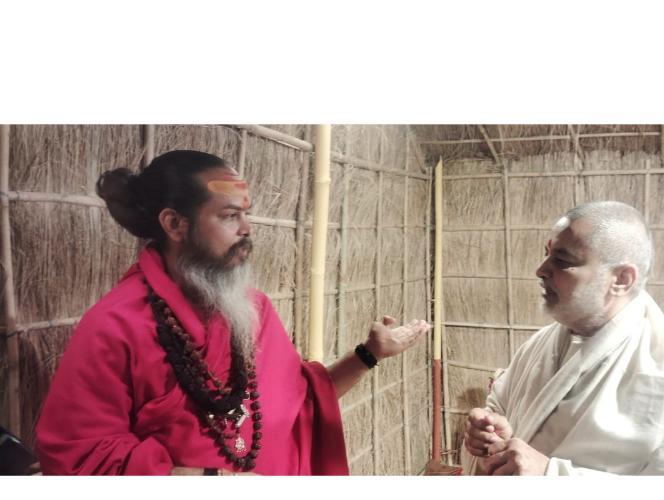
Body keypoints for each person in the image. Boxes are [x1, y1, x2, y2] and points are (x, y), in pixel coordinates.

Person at [35, 150, 429, 475]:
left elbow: (301, 403)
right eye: (229, 216)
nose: (247, 229)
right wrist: (212, 479)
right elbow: (81, 458)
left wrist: (369, 355)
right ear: (175, 224)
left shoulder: (253, 310)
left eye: (246, 213)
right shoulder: (115, 326)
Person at [462, 201, 664, 476]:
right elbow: (501, 405)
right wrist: (494, 430)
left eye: (562, 260)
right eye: (546, 253)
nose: (541, 269)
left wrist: (550, 474)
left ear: (621, 279)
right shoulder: (539, 346)